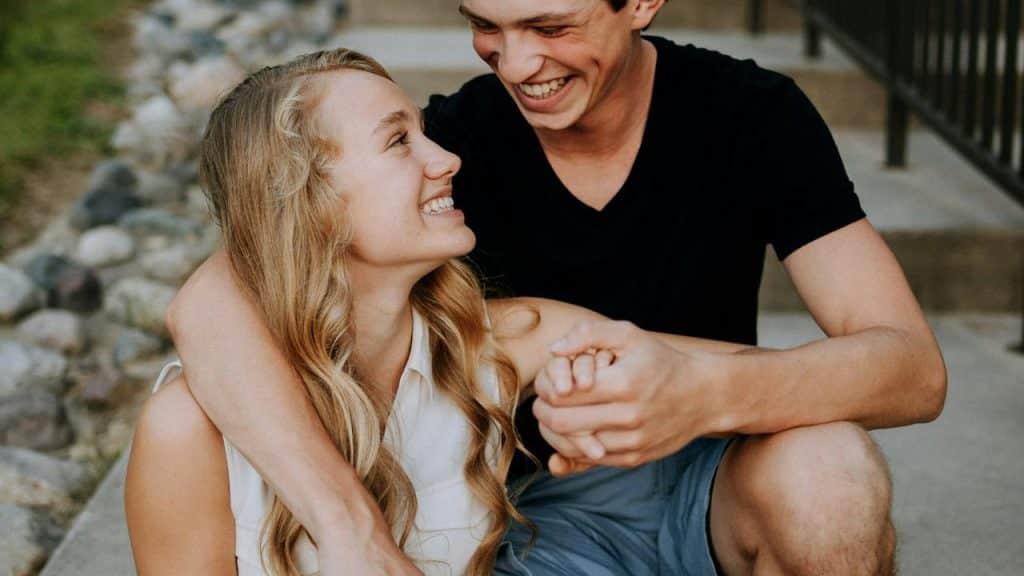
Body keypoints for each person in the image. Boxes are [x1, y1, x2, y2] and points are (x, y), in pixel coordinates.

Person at [165, 1, 949, 574]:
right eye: (487, 27)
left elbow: (911, 369)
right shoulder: (459, 142)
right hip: (525, 515)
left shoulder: (752, 117)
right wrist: (349, 526)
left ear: (640, 3)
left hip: (708, 486)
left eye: (550, 27)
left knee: (830, 469)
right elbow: (222, 290)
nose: (514, 65)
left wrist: (703, 394)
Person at [124, 47, 744, 576]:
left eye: (424, 131)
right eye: (399, 141)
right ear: (310, 201)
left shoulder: (502, 343)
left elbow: (756, 379)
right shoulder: (188, 431)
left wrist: (633, 404)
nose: (447, 159)